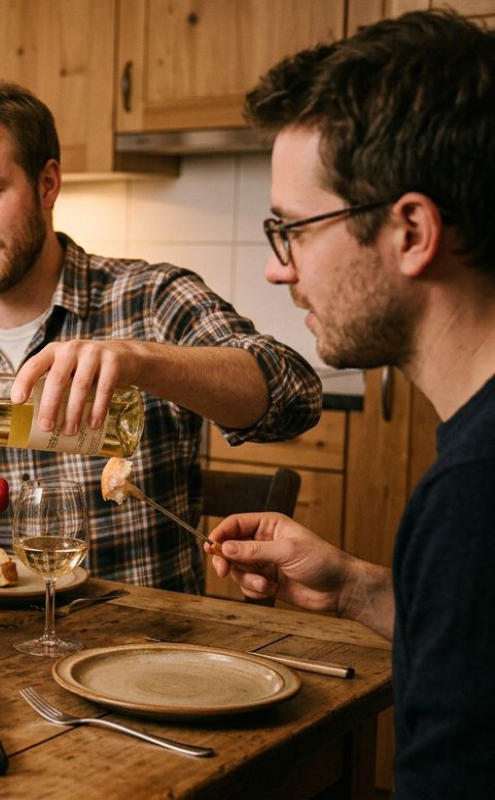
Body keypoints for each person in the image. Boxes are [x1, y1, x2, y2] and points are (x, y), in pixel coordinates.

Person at [206, 10, 495, 793]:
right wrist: (358, 588)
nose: (279, 270)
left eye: (294, 230)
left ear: (410, 232)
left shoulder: (473, 496)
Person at [0, 76, 322, 592]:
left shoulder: (150, 298)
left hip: (147, 647)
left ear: (47, 183)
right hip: (3, 646)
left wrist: (141, 361)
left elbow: (295, 395)